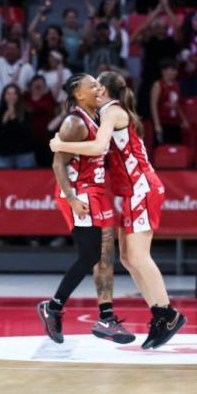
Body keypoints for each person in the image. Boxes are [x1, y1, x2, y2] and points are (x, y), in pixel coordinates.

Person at [50, 72, 187, 349]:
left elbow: (99, 146)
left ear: (106, 92)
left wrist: (60, 145)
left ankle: (167, 314)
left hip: (141, 187)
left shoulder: (112, 111)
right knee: (127, 257)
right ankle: (160, 313)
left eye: (99, 85)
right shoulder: (104, 114)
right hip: (132, 191)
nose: (96, 89)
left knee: (139, 256)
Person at [39, 74, 135, 345]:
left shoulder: (97, 116)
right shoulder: (74, 121)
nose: (97, 88)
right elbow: (58, 164)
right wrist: (70, 198)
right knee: (90, 254)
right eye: (91, 85)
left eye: (98, 84)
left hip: (97, 192)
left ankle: (106, 316)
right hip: (80, 194)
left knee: (105, 254)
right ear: (78, 94)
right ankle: (53, 307)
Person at [0, 83, 36, 168]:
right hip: (4, 154)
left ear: (18, 96)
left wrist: (13, 118)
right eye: (8, 93)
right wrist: (4, 120)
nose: (11, 96)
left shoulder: (26, 112)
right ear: (4, 96)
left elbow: (26, 133)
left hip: (24, 153)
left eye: (14, 93)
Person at [150, 58, 187, 144]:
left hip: (175, 123)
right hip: (163, 122)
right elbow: (153, 105)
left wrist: (184, 120)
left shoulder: (177, 85)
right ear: (164, 70)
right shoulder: (158, 84)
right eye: (173, 69)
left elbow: (178, 105)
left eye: (176, 70)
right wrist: (157, 124)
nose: (176, 72)